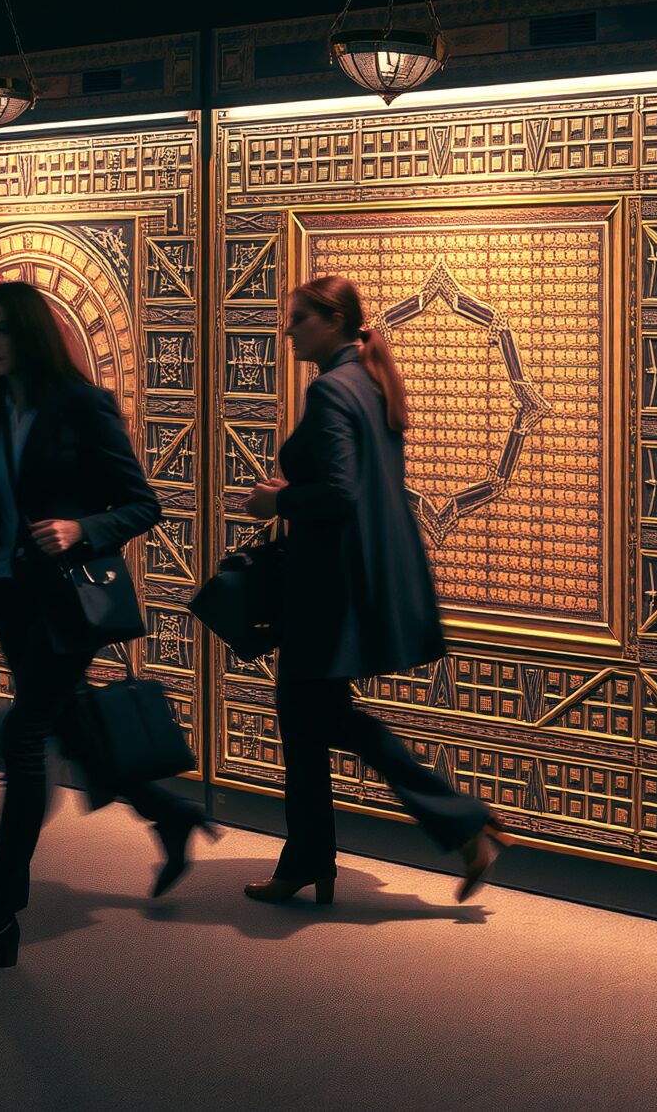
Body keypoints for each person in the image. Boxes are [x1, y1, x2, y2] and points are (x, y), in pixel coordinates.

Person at [0, 280, 212, 977]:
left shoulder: (82, 405)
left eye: (0, 330)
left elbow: (142, 503)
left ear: (30, 333)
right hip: (10, 601)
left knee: (24, 738)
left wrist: (83, 528)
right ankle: (167, 813)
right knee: (69, 724)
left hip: (68, 603)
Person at [241, 275, 504, 906]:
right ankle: (310, 859)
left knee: (315, 717)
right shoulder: (367, 380)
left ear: (332, 321)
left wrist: (277, 501)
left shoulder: (332, 389)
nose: (288, 330)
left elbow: (339, 492)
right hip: (354, 582)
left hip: (325, 589)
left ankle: (461, 824)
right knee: (311, 719)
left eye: (299, 318)